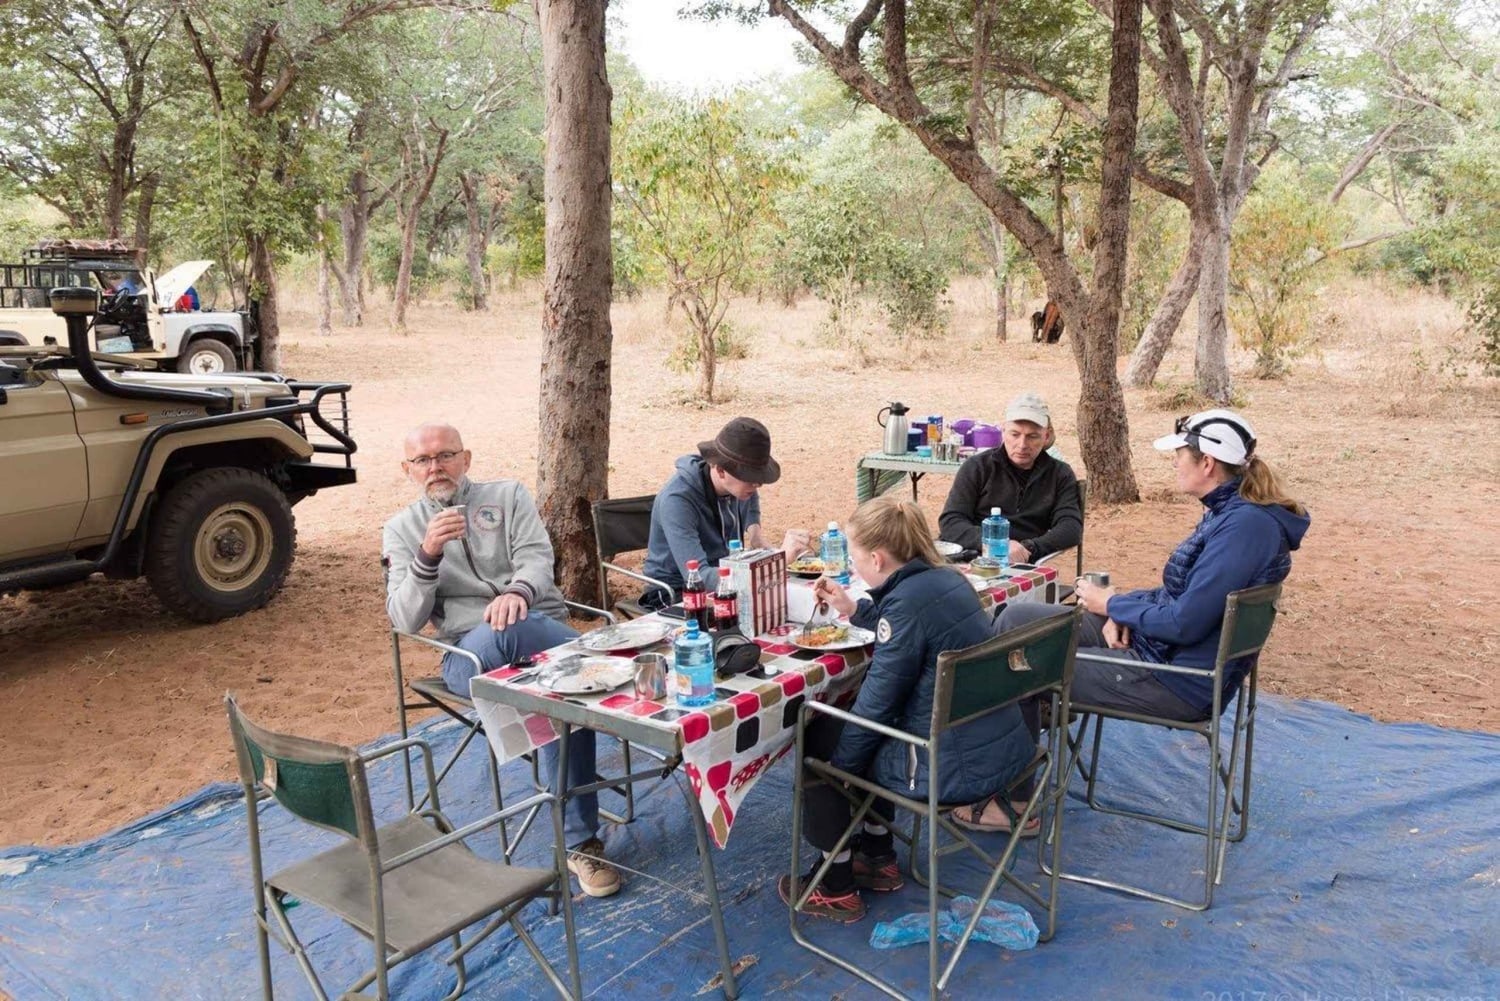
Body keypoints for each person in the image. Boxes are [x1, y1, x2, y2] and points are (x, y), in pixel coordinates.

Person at [964, 410, 1310, 829]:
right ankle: (1027, 723)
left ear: (1207, 464)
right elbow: (1182, 597)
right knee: (1017, 618)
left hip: (1175, 679)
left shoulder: (1245, 527)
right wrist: (1122, 608)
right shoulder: (1231, 512)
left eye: (1179, 455)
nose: (1174, 463)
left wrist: (1113, 607)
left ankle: (1015, 801)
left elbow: (1186, 622)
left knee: (1014, 664)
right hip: (1159, 646)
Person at [382, 422, 621, 898]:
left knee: (553, 691)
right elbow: (403, 620)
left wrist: (517, 591)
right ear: (407, 470)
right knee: (538, 651)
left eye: (445, 456)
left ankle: (582, 844)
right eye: (423, 461)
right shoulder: (402, 529)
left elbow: (537, 558)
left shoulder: (507, 496)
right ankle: (604, 670)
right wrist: (427, 555)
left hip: (538, 633)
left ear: (465, 458)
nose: (436, 468)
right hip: (467, 656)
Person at [775, 495, 1037, 922]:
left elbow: (876, 708)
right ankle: (878, 857)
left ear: (877, 558)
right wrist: (854, 609)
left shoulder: (905, 605)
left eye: (856, 557)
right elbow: (906, 625)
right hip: (997, 747)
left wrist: (840, 773)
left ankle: (835, 884)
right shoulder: (946, 579)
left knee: (821, 738)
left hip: (949, 766)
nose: (855, 566)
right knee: (856, 736)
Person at [641, 417, 809, 607]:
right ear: (720, 470)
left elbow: (750, 496)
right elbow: (699, 577)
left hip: (726, 576)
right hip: (678, 591)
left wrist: (755, 533)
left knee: (790, 603)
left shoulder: (734, 485)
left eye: (759, 477)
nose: (758, 484)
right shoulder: (678, 501)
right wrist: (777, 562)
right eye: (750, 478)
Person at [938, 391, 1082, 565]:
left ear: (1047, 436)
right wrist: (997, 545)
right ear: (1003, 431)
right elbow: (951, 522)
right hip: (972, 558)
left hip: (1024, 561)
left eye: (1032, 436)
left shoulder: (1060, 474)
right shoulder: (977, 467)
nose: (1022, 445)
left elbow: (1070, 528)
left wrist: (1030, 547)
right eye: (1015, 434)